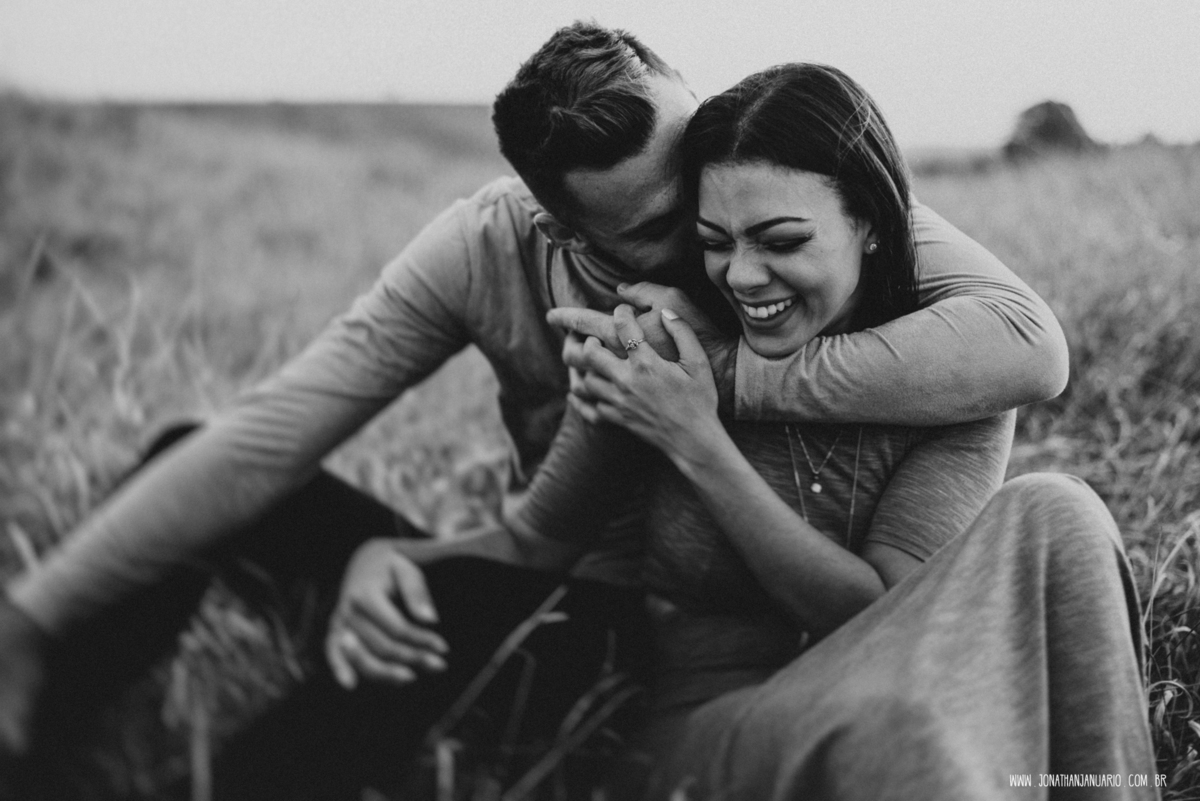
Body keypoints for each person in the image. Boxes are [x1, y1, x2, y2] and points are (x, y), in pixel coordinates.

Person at [0, 23, 1069, 800]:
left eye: (702, 182)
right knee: (204, 466)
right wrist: (35, 617)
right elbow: (285, 436)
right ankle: (36, 734)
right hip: (565, 581)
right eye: (667, 229)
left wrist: (719, 382)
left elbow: (1026, 341)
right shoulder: (493, 248)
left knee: (438, 623)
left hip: (660, 640)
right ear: (564, 230)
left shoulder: (762, 198)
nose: (715, 243)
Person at [555, 62, 1156, 800]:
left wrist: (699, 441)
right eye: (715, 241)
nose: (741, 275)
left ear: (870, 224)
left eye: (781, 240)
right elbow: (546, 534)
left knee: (1060, 507)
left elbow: (881, 613)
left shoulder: (952, 377)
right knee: (897, 725)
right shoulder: (665, 355)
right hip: (713, 722)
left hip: (891, 687)